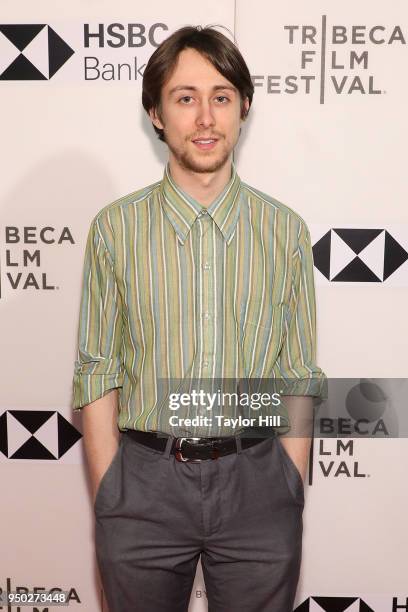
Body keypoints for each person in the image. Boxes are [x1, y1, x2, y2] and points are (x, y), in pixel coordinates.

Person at [72, 25, 326, 612]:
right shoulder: (116, 229)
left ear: (243, 109)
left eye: (221, 96)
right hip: (143, 486)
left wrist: (288, 483)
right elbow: (97, 370)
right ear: (157, 114)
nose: (205, 117)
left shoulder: (284, 231)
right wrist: (112, 493)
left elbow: (296, 374)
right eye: (185, 98)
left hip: (259, 482)